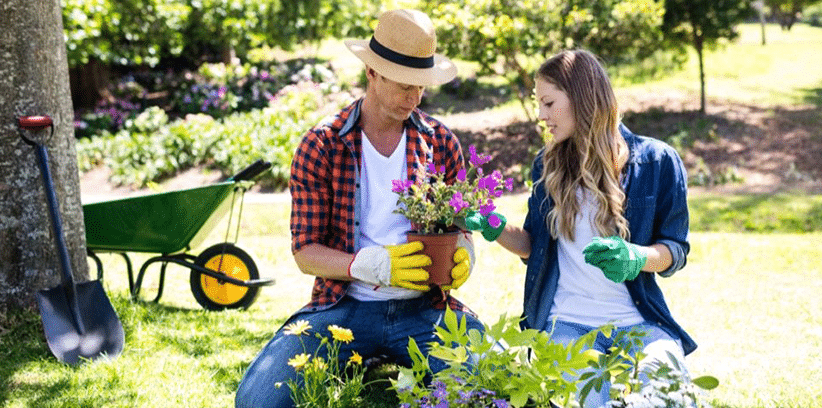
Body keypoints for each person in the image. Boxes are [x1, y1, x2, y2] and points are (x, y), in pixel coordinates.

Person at [235, 9, 483, 408]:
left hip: (425, 309)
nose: (414, 98)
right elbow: (305, 251)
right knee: (258, 400)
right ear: (372, 72)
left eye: (421, 87)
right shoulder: (323, 144)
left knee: (488, 385)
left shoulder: (439, 142)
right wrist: (366, 265)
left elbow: (460, 227)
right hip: (343, 308)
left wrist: (465, 252)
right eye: (405, 86)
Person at [466, 49, 696, 407]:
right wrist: (496, 227)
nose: (541, 116)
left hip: (637, 321)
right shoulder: (548, 164)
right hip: (567, 325)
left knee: (671, 393)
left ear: (582, 99)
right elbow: (533, 247)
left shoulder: (657, 160)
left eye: (548, 103)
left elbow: (675, 250)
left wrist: (636, 258)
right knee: (588, 401)